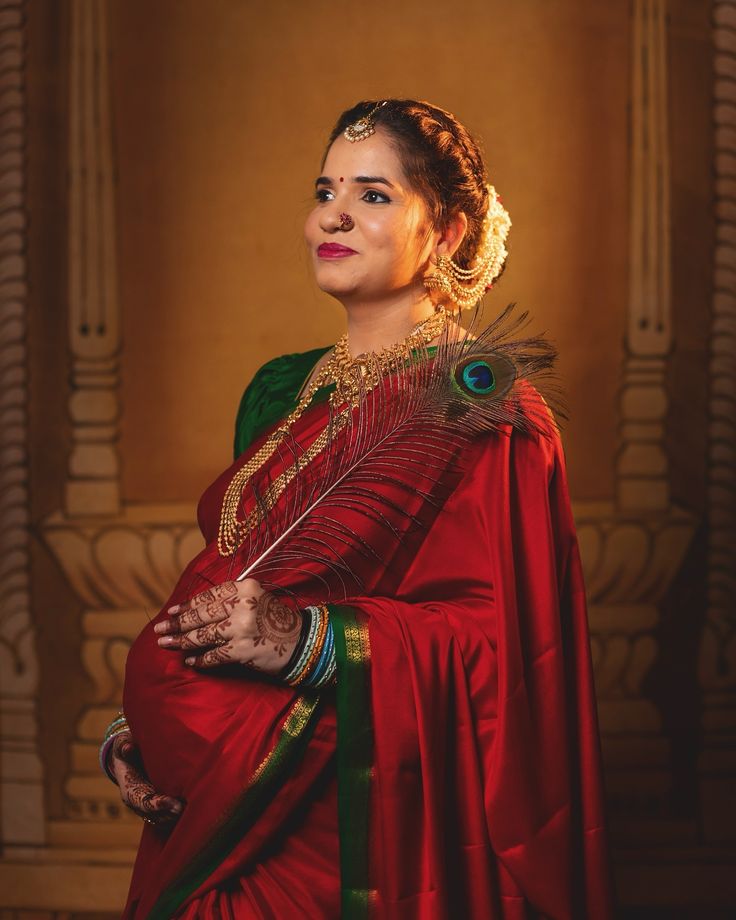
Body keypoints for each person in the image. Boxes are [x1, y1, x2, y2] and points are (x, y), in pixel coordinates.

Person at [102, 98, 617, 919]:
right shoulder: (280, 388)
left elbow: (499, 652)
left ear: (444, 232)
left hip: (357, 823)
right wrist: (149, 735)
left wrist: (304, 640)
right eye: (325, 188)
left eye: (374, 194)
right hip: (219, 795)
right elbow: (225, 582)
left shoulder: (479, 407)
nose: (332, 213)